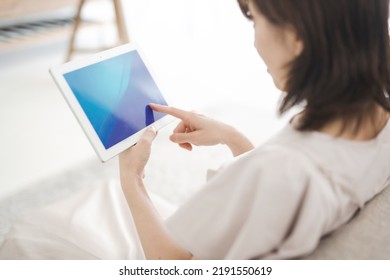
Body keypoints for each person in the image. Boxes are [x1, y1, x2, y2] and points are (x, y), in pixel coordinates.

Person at [118, 0, 390, 259]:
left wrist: (133, 179)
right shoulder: (377, 115)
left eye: (255, 20)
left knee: (95, 208)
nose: (255, 41)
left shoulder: (282, 172)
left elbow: (176, 265)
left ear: (297, 37)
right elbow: (279, 200)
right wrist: (231, 136)